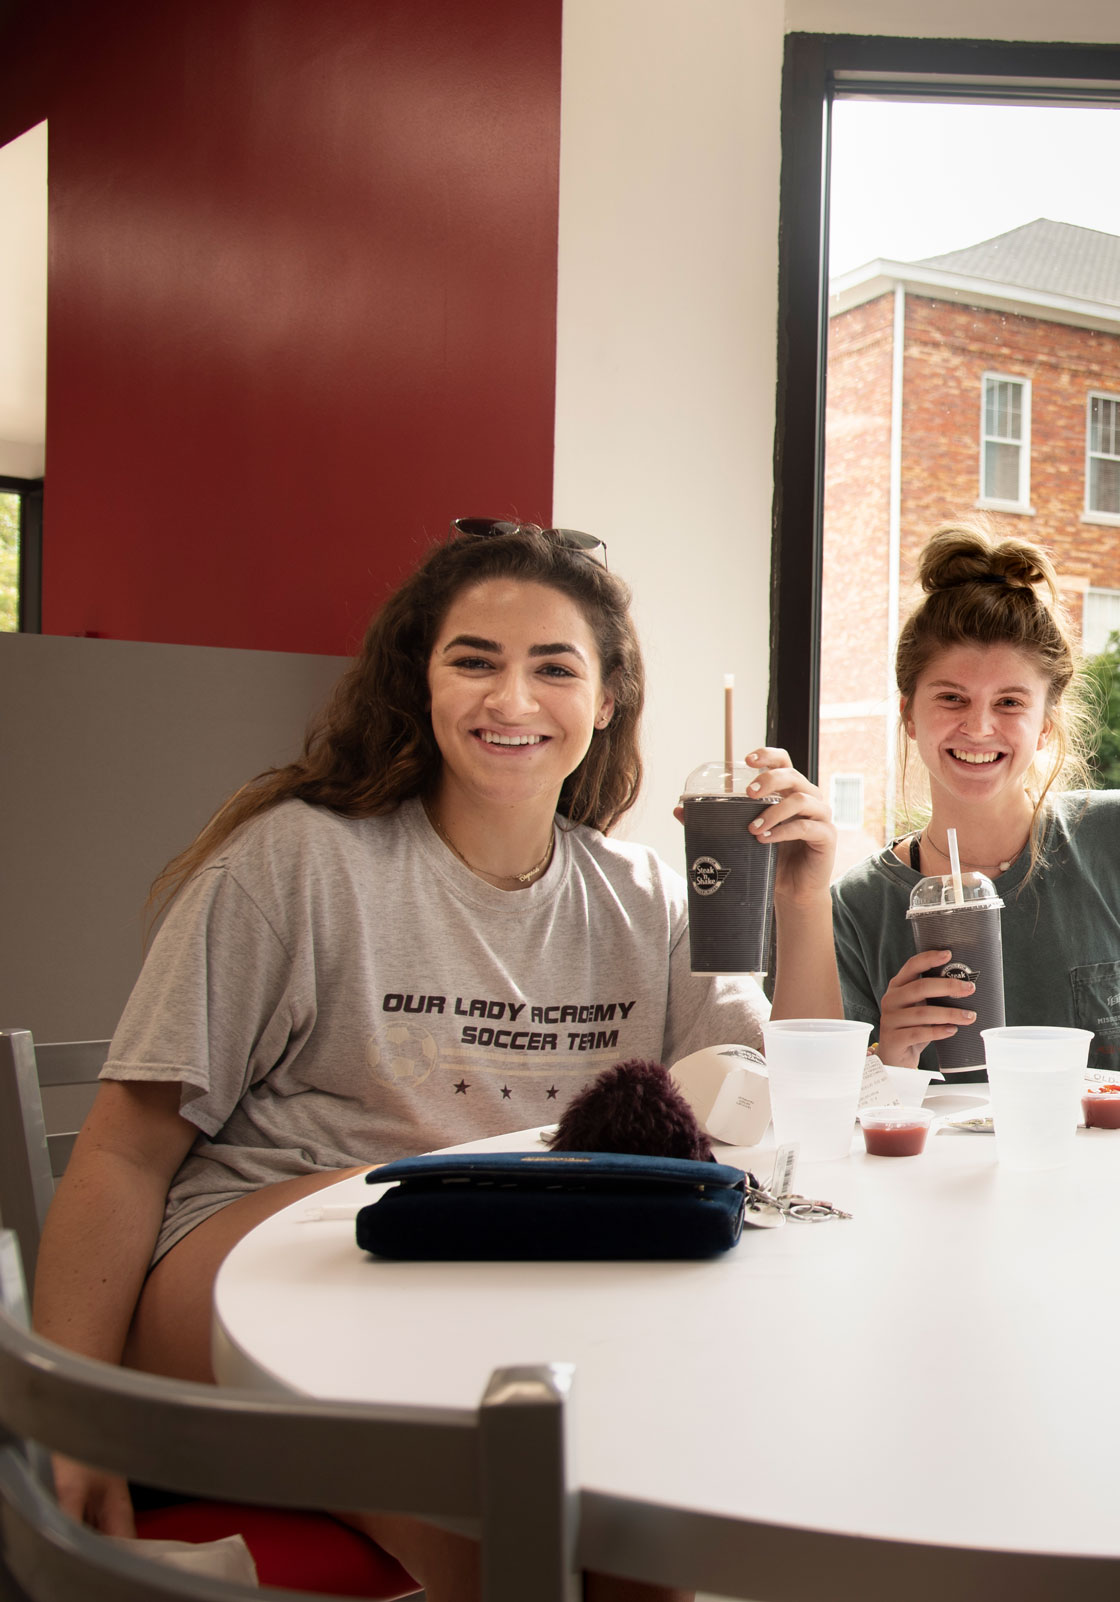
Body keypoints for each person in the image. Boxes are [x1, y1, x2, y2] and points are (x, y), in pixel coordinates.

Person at [34, 521, 843, 1601]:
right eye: (474, 661)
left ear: (606, 702)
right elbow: (127, 1155)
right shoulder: (297, 862)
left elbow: (778, 1119)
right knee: (497, 1539)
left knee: (639, 1554)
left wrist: (800, 904)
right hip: (260, 1260)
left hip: (489, 1287)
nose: (511, 701)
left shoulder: (648, 898)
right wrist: (64, 1419)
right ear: (421, 680)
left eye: (553, 669)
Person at [832, 524, 1120, 1080]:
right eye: (951, 697)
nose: (980, 726)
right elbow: (835, 1108)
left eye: (1010, 701)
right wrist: (888, 1055)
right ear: (909, 714)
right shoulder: (855, 908)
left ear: (1045, 724)